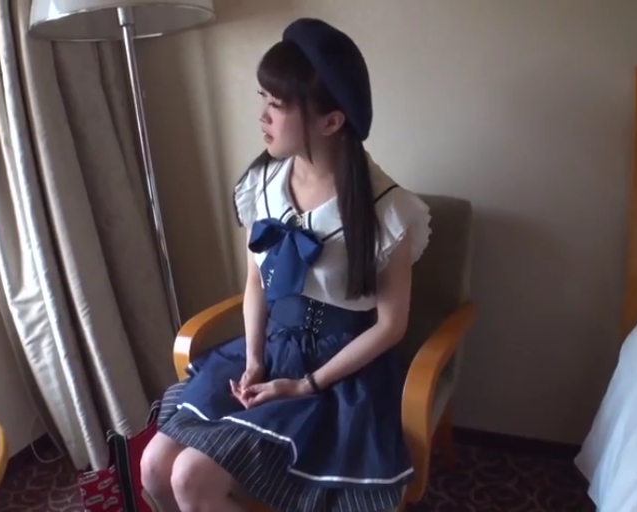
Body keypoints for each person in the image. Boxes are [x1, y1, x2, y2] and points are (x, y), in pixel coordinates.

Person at [140, 17, 432, 512]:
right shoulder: (262, 184)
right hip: (272, 348)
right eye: (264, 99)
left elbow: (390, 326)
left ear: (331, 121)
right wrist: (255, 359)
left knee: (191, 478)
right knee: (152, 466)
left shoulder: (389, 212)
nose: (263, 117)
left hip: (340, 373)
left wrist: (304, 385)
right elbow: (256, 281)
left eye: (276, 104)